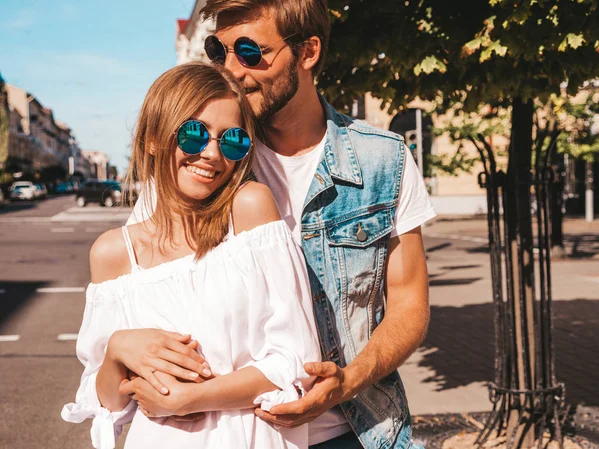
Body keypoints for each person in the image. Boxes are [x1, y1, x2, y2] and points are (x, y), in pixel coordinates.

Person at [126, 0, 435, 447]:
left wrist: (347, 382)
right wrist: (122, 345)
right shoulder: (200, 165)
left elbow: (409, 305)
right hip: (231, 435)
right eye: (220, 50)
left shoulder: (383, 160)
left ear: (307, 52)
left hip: (356, 432)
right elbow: (135, 290)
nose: (232, 69)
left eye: (250, 52)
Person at [61, 61, 322, 449]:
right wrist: (117, 350)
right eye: (195, 134)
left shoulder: (249, 210)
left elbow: (296, 361)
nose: (213, 155)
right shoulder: (114, 253)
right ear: (153, 138)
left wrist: (194, 398)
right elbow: (107, 408)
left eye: (232, 140)